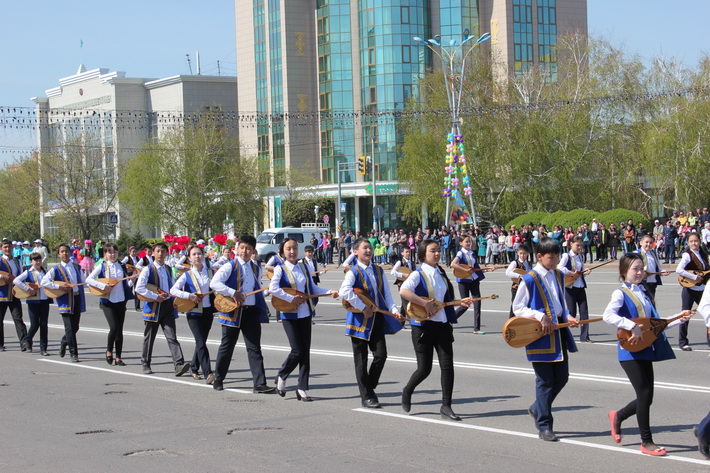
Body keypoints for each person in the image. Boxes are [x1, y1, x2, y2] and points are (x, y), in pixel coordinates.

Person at [603, 253, 691, 456]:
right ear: (624, 271)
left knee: (647, 397)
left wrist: (680, 318)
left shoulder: (644, 292)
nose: (640, 272)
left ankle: (618, 416)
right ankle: (647, 441)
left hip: (646, 348)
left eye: (641, 268)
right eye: (635, 269)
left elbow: (655, 326)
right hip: (629, 350)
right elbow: (608, 315)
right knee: (644, 394)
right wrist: (630, 325)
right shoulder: (620, 293)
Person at [512, 237, 579, 442]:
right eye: (551, 257)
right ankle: (544, 425)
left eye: (557, 256)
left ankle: (537, 407)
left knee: (562, 378)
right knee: (545, 381)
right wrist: (540, 315)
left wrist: (567, 315)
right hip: (539, 334)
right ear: (540, 256)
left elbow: (560, 302)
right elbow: (518, 307)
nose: (555, 261)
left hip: (558, 331)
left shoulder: (558, 274)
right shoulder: (529, 279)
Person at [399, 239, 473, 421]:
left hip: (442, 325)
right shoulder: (418, 274)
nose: (437, 253)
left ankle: (446, 406)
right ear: (423, 254)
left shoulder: (440, 273)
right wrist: (424, 303)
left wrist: (460, 302)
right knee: (424, 369)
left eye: (438, 250)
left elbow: (442, 301)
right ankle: (407, 390)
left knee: (447, 366)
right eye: (433, 251)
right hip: (423, 327)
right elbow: (404, 291)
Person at [270, 238, 337, 401]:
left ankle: (302, 388)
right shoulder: (280, 269)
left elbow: (312, 288)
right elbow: (273, 288)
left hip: (305, 313)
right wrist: (291, 298)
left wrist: (329, 292)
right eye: (288, 249)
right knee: (296, 350)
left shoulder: (304, 266)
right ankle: (282, 375)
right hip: (289, 314)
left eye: (294, 248)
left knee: (305, 352)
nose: (292, 252)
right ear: (282, 251)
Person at [339, 238, 402, 408]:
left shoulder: (378, 270)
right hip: (359, 320)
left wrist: (394, 310)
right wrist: (362, 307)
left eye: (370, 248)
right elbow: (344, 291)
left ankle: (369, 386)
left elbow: (386, 294)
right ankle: (366, 396)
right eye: (364, 248)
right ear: (355, 252)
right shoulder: (353, 271)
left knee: (381, 355)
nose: (368, 250)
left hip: (376, 319)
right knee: (361, 360)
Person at [210, 235, 274, 393]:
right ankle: (218, 378)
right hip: (232, 312)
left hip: (251, 312)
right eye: (242, 248)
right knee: (227, 346)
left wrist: (267, 292)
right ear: (237, 249)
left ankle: (259, 384)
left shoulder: (256, 267)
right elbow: (214, 283)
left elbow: (256, 289)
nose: (245, 251)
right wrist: (233, 293)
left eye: (248, 248)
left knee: (254, 348)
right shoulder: (229, 266)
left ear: (253, 251)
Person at [135, 242, 191, 376]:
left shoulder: (168, 269)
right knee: (149, 337)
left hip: (167, 306)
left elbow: (172, 287)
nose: (160, 254)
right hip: (153, 307)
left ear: (166, 253)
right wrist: (155, 296)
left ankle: (179, 364)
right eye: (158, 251)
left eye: (163, 251)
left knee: (172, 336)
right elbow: (139, 288)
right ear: (153, 253)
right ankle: (145, 363)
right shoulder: (148, 269)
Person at [170, 244, 215, 384]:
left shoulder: (211, 273)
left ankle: (194, 368)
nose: (197, 256)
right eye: (194, 254)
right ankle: (208, 373)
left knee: (201, 342)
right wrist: (189, 295)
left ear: (204, 255)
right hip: (193, 313)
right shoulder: (186, 274)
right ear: (189, 258)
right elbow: (173, 290)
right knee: (200, 342)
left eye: (199, 253)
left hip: (207, 311)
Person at [86, 243, 136, 366]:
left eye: (115, 252)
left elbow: (125, 284)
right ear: (105, 254)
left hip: (121, 300)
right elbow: (89, 279)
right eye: (110, 252)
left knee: (120, 330)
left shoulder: (122, 266)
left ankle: (118, 357)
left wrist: (132, 281)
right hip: (108, 301)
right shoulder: (102, 266)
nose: (113, 255)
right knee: (114, 327)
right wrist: (103, 286)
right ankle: (109, 350)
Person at [41, 244, 86, 362]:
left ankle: (64, 341)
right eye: (62, 251)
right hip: (65, 300)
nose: (65, 253)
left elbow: (84, 281)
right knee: (69, 328)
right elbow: (44, 281)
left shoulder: (76, 266)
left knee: (75, 327)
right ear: (58, 254)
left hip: (77, 298)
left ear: (70, 253)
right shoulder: (56, 268)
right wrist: (59, 286)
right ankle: (74, 354)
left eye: (66, 251)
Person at [451, 234, 494, 334]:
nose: (468, 243)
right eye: (466, 241)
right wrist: (465, 271)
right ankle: (449, 319)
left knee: (477, 303)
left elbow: (475, 269)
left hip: (474, 280)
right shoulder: (460, 253)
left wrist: (487, 270)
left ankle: (477, 329)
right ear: (461, 243)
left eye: (469, 241)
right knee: (465, 304)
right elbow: (453, 264)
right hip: (464, 281)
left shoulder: (471, 253)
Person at [675, 232, 710, 351]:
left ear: (700, 241)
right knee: (685, 315)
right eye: (691, 241)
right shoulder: (687, 255)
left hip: (702, 289)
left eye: (696, 241)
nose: (694, 243)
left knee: (708, 313)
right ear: (688, 243)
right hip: (689, 289)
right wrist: (694, 277)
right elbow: (679, 269)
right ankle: (683, 342)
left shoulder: (703, 253)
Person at [14, 253, 51, 355]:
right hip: (33, 301)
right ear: (31, 262)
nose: (38, 262)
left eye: (39, 260)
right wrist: (28, 289)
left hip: (44, 300)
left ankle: (43, 348)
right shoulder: (28, 272)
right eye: (36, 260)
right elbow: (16, 280)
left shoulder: (45, 271)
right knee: (34, 324)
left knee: (44, 324)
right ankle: (27, 340)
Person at [558, 236, 593, 343]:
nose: (579, 247)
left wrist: (585, 272)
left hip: (580, 286)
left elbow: (581, 271)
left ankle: (585, 337)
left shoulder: (581, 256)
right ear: (571, 244)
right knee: (571, 313)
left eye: (580, 245)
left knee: (584, 312)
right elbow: (559, 268)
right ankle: (563, 335)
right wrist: (571, 273)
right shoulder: (566, 256)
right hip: (570, 287)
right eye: (577, 245)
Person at [0, 239, 28, 351]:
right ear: (1, 248)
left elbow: (21, 276)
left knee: (18, 319)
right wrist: (2, 277)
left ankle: (24, 343)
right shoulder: (0, 260)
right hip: (2, 295)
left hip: (14, 294)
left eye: (9, 247)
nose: (7, 249)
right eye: (5, 247)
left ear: (12, 248)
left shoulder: (17, 261)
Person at [636, 234, 668, 301]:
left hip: (652, 283)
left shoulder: (653, 253)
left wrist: (662, 272)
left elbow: (658, 267)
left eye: (650, 243)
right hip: (641, 283)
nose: (648, 244)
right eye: (646, 242)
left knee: (651, 302)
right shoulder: (637, 253)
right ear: (641, 243)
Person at [391, 246, 416, 323]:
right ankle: (411, 321)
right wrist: (402, 275)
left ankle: (401, 322)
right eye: (406, 252)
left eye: (409, 252)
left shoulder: (412, 263)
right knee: (406, 302)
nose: (408, 253)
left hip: (411, 285)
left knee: (404, 303)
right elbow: (392, 272)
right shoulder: (400, 262)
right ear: (402, 253)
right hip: (402, 285)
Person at [505, 244, 531, 318]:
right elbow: (508, 272)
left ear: (527, 254)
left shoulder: (528, 263)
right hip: (516, 287)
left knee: (524, 306)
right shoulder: (515, 263)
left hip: (526, 288)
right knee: (514, 306)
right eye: (521, 253)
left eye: (524, 253)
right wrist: (519, 276)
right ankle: (511, 321)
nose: (522, 255)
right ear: (518, 253)